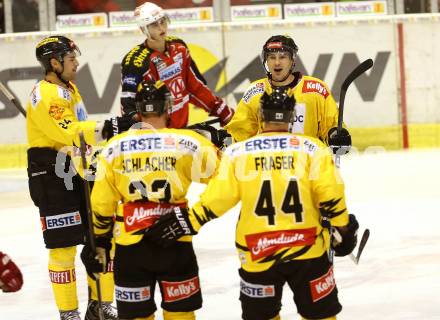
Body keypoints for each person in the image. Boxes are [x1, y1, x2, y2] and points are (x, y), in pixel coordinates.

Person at [147, 88, 359, 320]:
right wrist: (342, 226)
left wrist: (189, 221)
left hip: (257, 252)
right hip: (308, 251)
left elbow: (218, 198)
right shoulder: (313, 149)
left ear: (260, 115)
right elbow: (330, 193)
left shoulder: (238, 153)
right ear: (291, 116)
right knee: (321, 316)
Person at [88, 80, 219, 319]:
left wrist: (99, 240)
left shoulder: (114, 147)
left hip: (130, 248)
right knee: (180, 314)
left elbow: (101, 203)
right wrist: (193, 218)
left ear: (138, 110)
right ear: (168, 107)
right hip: (176, 241)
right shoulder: (189, 142)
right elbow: (226, 182)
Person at [26, 35, 133, 320]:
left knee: (100, 240)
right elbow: (70, 132)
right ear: (54, 62)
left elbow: (79, 138)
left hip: (78, 169)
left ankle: (100, 305)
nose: (77, 63)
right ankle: (69, 312)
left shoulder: (68, 89)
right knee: (63, 247)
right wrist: (109, 125)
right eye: (72, 59)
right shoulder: (46, 95)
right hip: (50, 174)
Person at [224, 34, 351, 155]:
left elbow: (331, 124)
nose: (277, 62)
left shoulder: (315, 89)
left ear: (292, 60)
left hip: (308, 165)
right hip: (270, 165)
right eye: (272, 57)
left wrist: (336, 135)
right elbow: (240, 132)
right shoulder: (255, 92)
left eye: (283, 57)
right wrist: (224, 138)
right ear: (266, 61)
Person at [120, 2, 234, 129]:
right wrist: (142, 132)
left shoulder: (179, 47)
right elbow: (127, 105)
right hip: (155, 137)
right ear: (143, 29)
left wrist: (220, 109)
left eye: (162, 21)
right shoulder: (135, 62)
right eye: (153, 24)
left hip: (181, 132)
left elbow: (195, 87)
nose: (161, 27)